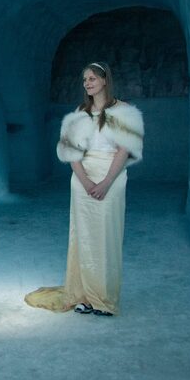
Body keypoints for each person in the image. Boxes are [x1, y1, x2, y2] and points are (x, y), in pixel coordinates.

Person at [25, 61, 143, 316]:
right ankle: (85, 296)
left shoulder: (123, 110)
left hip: (112, 176)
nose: (87, 83)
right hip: (82, 178)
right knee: (83, 237)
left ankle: (104, 299)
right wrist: (86, 181)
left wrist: (106, 182)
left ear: (104, 80)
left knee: (106, 237)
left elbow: (124, 149)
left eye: (91, 78)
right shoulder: (81, 111)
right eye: (84, 80)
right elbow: (71, 150)